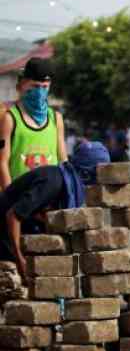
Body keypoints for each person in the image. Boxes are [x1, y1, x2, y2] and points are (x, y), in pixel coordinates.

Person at [0, 141, 110, 284]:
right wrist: (20, 259)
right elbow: (13, 215)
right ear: (86, 173)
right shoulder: (53, 182)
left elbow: (37, 213)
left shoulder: (65, 183)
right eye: (97, 175)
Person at [0, 57, 68, 188]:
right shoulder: (10, 118)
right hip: (20, 197)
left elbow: (63, 160)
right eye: (35, 86)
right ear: (22, 85)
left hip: (49, 198)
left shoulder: (56, 118)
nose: (40, 92)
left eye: (44, 87)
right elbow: (2, 162)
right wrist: (9, 198)